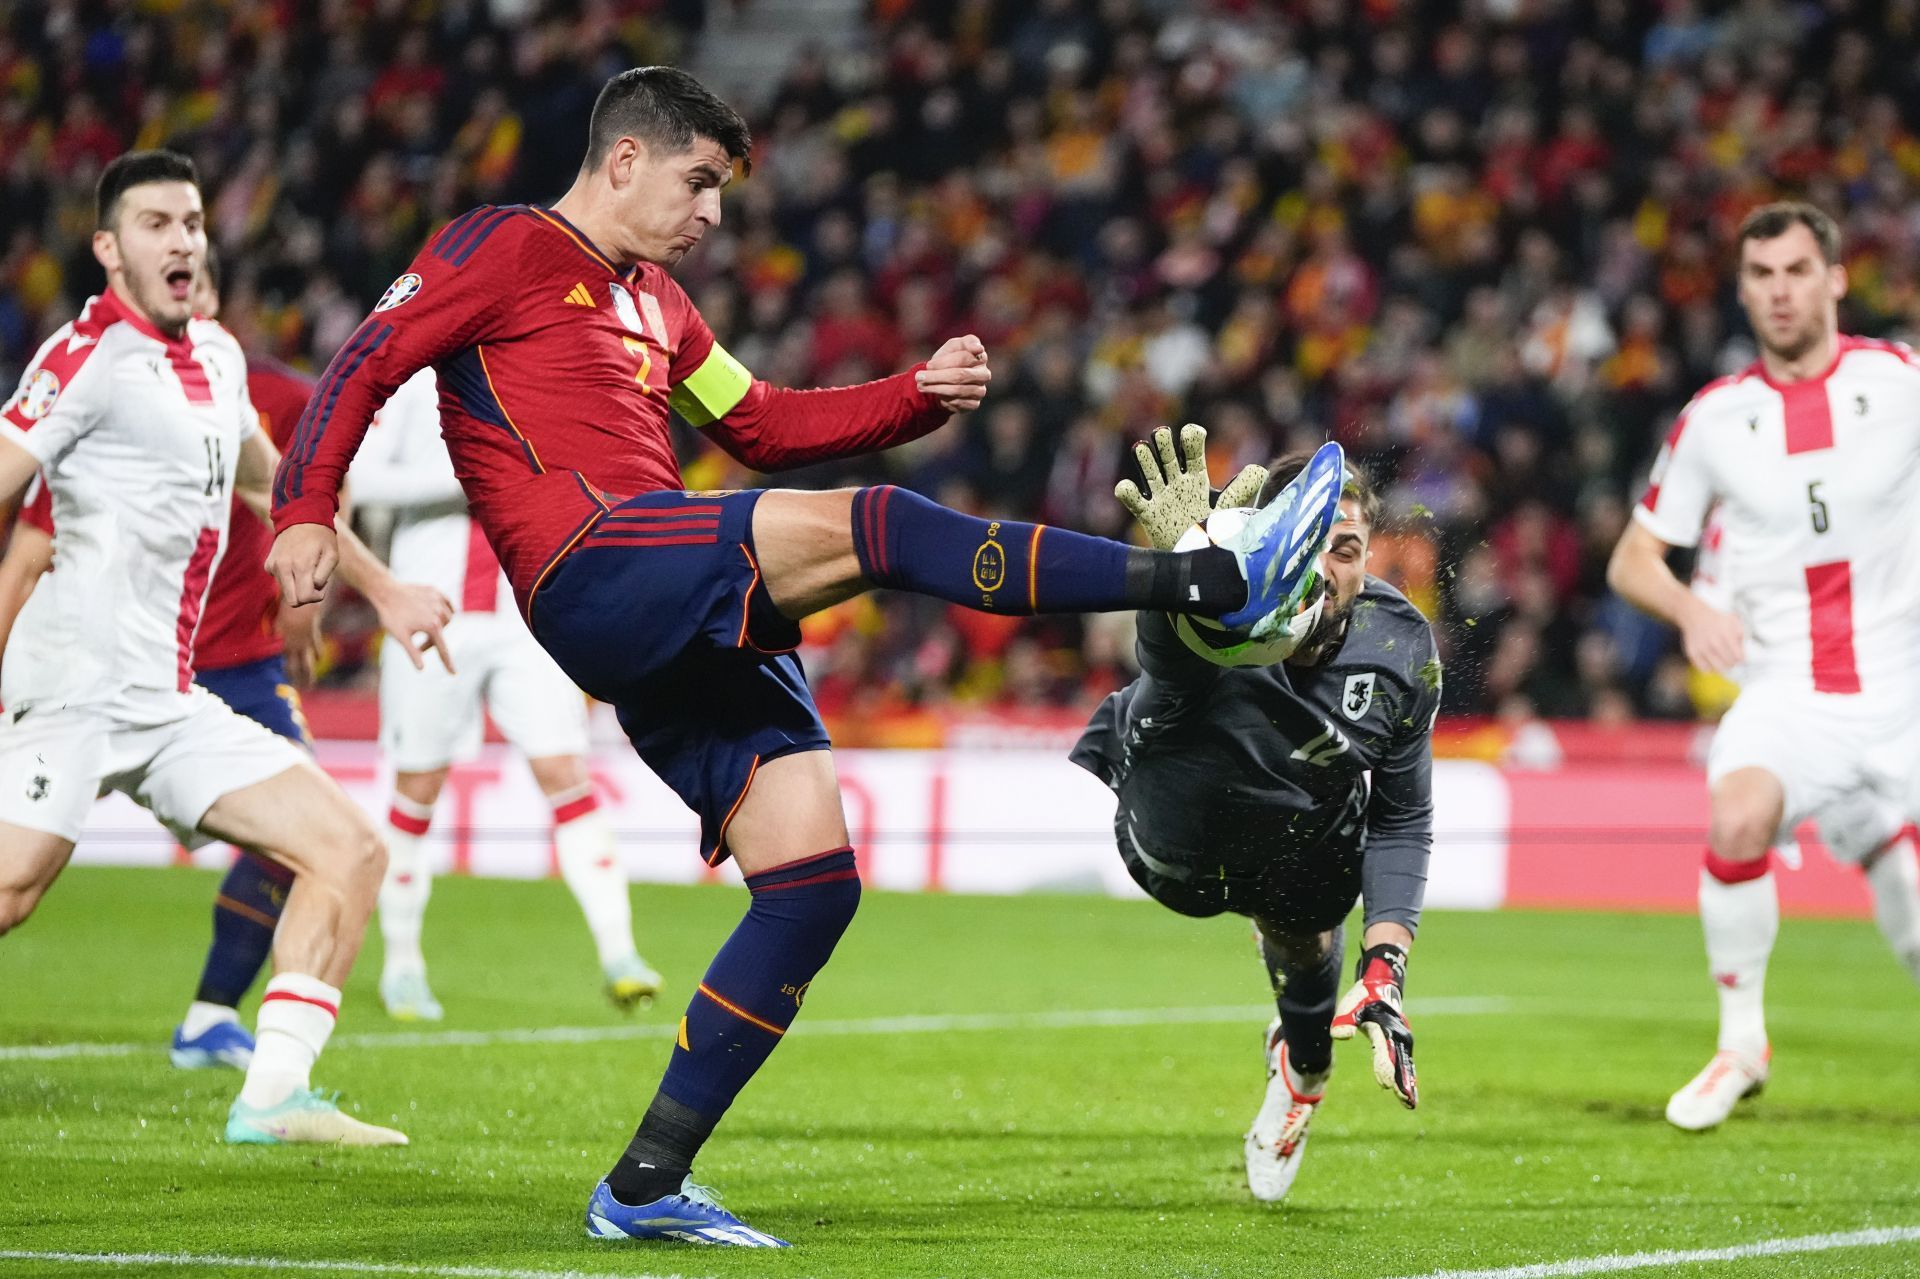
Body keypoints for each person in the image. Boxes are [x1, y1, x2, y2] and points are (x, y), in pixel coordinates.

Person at [266, 67, 1339, 1246]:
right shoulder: (498, 248)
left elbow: (763, 424)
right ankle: (1207, 583)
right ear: (625, 159)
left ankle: (643, 1185)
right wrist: (305, 508)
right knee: (876, 527)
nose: (713, 212)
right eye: (701, 182)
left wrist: (914, 395)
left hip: (670, 591)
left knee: (815, 883)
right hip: (595, 562)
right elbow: (363, 362)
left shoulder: (661, 306)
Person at [0, 148, 454, 1146]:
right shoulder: (84, 356)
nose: (182, 241)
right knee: (13, 891)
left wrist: (383, 593)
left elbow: (277, 489)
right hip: (71, 686)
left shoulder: (215, 359)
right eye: (157, 224)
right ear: (109, 250)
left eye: (193, 223)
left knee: (350, 850)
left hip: (169, 697)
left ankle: (272, 1097)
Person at [1608, 201, 1920, 1133]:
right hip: (1790, 692)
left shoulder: (1900, 381)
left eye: (1795, 270)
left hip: (1904, 685)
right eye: (1761, 275)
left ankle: (1878, 842)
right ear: (1743, 290)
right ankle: (1742, 1044)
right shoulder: (1717, 418)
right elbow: (1633, 558)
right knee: (1739, 811)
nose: (1779, 291)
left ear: (1834, 278)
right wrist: (1691, 606)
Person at [1073, 429, 1440, 1203]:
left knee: (1340, 807)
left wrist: (1385, 970)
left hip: (1290, 847)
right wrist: (1184, 580)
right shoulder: (1222, 603)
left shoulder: (1402, 646)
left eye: (1347, 547)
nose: (1329, 567)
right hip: (1166, 834)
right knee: (1223, 708)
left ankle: (1302, 1069)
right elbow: (1164, 663)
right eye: (1307, 543)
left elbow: (1403, 818)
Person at [350, 367, 663, 1020]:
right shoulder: (409, 382)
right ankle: (404, 966)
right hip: (434, 610)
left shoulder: (544, 368)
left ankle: (620, 953)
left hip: (530, 608)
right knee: (417, 788)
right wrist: (469, 474)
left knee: (564, 772)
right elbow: (363, 478)